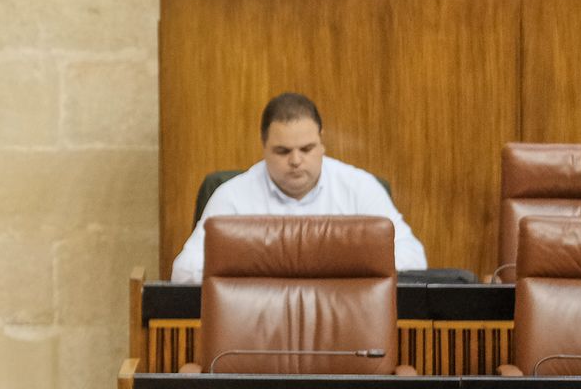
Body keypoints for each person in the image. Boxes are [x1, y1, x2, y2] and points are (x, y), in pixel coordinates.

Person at [169, 92, 427, 284]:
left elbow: (414, 257)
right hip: (257, 326)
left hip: (343, 327)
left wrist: (335, 259)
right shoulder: (232, 196)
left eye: (306, 149)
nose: (295, 161)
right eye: (282, 151)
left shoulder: (358, 188)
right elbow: (183, 270)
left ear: (322, 142)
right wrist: (265, 262)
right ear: (264, 147)